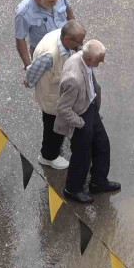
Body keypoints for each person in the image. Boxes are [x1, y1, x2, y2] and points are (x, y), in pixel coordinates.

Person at [54, 40, 120, 203]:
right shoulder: (73, 79)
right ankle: (72, 189)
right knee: (82, 155)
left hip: (89, 108)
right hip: (80, 116)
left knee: (102, 144)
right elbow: (63, 108)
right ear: (89, 59)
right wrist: (81, 123)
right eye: (100, 59)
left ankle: (98, 182)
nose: (103, 61)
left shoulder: (84, 59)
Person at [25, 21, 87, 169]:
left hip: (58, 94)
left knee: (56, 126)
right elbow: (32, 73)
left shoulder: (62, 36)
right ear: (66, 39)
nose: (81, 44)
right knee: (52, 128)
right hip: (51, 100)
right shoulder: (50, 55)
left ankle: (52, 149)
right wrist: (29, 82)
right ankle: (48, 156)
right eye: (78, 41)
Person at [15, 0, 75, 68]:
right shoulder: (23, 13)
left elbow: (68, 10)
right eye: (51, 2)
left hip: (64, 46)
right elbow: (20, 39)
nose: (55, 4)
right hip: (44, 55)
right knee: (47, 80)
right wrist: (28, 67)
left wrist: (75, 35)